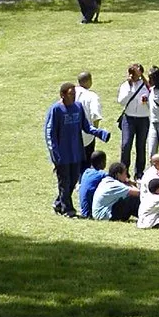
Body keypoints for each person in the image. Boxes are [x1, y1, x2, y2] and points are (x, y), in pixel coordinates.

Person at [45, 82, 111, 217]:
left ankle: (59, 203)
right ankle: (67, 210)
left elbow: (86, 127)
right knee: (64, 181)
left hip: (76, 152)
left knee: (74, 179)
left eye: (75, 94)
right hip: (62, 154)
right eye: (71, 94)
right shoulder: (56, 110)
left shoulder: (78, 107)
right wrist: (54, 153)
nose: (74, 97)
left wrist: (99, 133)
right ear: (62, 95)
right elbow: (49, 133)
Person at [117, 64, 151, 178]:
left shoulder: (146, 86)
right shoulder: (125, 86)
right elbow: (121, 101)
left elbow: (153, 103)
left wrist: (147, 101)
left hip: (143, 118)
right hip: (129, 118)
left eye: (134, 73)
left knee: (140, 146)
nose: (131, 76)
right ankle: (124, 171)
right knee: (126, 145)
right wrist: (130, 89)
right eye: (130, 73)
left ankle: (139, 172)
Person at [76, 71, 103, 163]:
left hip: (70, 136)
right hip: (86, 137)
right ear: (89, 81)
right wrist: (95, 132)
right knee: (86, 164)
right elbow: (95, 115)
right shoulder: (92, 96)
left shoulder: (70, 93)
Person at [78, 150, 109, 219]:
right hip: (92, 212)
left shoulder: (86, 172)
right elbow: (117, 179)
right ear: (101, 163)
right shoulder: (101, 174)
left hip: (84, 211)